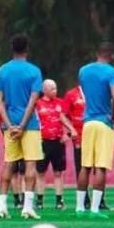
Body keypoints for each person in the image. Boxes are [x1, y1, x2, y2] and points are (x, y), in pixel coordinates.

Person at [0, 35, 44, 220]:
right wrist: (23, 125)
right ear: (27, 49)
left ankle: (1, 206)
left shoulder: (2, 71)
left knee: (9, 163)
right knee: (30, 164)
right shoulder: (34, 71)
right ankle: (27, 208)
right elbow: (33, 99)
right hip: (29, 124)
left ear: (12, 48)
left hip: (9, 123)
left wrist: (9, 125)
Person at [76, 41, 114, 218]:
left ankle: (80, 207)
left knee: (85, 166)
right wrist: (113, 117)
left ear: (97, 53)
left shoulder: (83, 70)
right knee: (100, 166)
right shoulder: (112, 72)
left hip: (88, 121)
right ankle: (94, 209)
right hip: (103, 122)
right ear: (111, 55)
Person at [37, 79, 76, 211]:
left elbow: (71, 119)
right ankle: (39, 200)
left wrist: (68, 134)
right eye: (52, 89)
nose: (55, 91)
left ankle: (59, 200)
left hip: (58, 142)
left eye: (56, 88)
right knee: (40, 172)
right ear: (44, 90)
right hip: (43, 142)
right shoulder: (37, 104)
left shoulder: (61, 103)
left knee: (58, 172)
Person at [62, 78, 85, 180]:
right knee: (80, 165)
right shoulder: (71, 94)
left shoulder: (95, 92)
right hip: (78, 136)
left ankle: (98, 190)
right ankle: (82, 190)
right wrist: (72, 129)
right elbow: (62, 115)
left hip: (95, 133)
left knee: (97, 166)